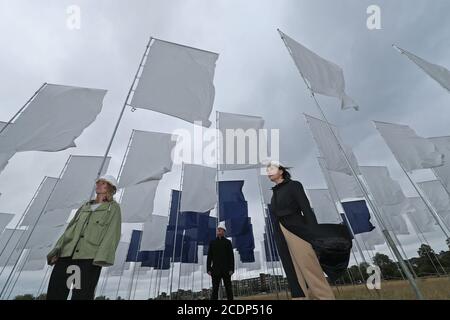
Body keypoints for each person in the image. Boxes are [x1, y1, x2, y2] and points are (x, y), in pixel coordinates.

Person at [265, 160, 352, 300]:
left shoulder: (294, 185)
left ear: (281, 171)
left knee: (309, 266)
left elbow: (306, 209)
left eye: (271, 169)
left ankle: (324, 297)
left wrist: (314, 233)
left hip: (298, 230)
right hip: (281, 233)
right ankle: (300, 297)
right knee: (293, 269)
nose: (268, 172)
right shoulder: (274, 194)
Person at [46, 175, 122, 300]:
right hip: (66, 255)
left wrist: (101, 258)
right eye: (98, 182)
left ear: (111, 188)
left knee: (81, 295)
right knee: (56, 292)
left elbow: (112, 234)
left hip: (88, 259)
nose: (98, 185)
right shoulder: (85, 206)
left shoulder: (113, 208)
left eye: (103, 183)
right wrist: (57, 250)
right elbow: (70, 229)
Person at [207, 222, 235, 300]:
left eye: (220, 229)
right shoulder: (212, 243)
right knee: (215, 290)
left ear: (224, 231)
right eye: (218, 229)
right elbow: (209, 257)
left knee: (228, 289)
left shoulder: (228, 242)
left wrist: (232, 269)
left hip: (226, 270)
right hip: (215, 270)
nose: (218, 231)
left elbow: (231, 257)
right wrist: (208, 269)